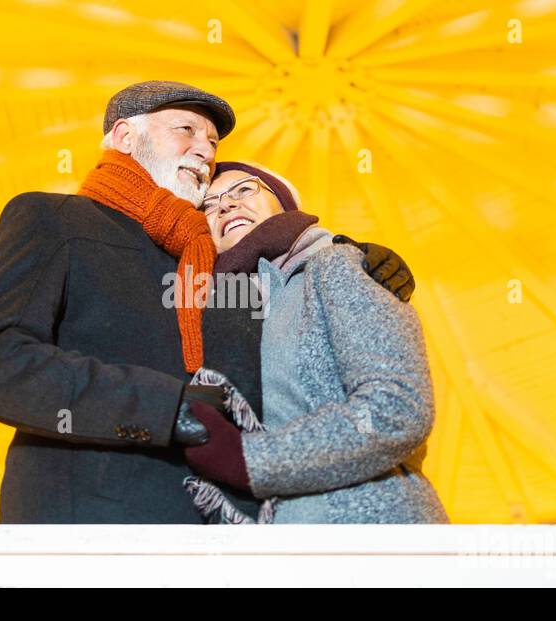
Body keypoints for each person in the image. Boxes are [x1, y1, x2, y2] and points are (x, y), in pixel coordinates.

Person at [0, 80, 419, 524]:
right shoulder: (52, 218)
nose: (206, 150)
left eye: (213, 142)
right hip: (91, 518)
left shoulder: (208, 263)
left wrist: (341, 262)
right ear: (123, 135)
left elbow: (295, 382)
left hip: (224, 530)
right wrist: (166, 407)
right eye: (187, 130)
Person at [179, 162, 449, 524]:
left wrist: (249, 461)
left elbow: (395, 409)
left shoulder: (336, 265)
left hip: (372, 531)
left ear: (286, 203)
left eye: (245, 189)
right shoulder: (215, 316)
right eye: (209, 205)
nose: (225, 205)